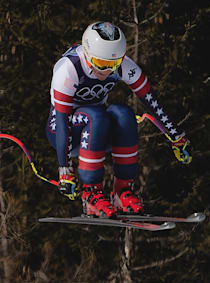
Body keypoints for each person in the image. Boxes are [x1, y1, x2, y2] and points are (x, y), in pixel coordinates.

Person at [45, 21, 192, 218]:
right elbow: (62, 121)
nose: (106, 71)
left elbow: (152, 102)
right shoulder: (68, 69)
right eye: (102, 64)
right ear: (88, 55)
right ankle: (91, 192)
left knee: (124, 114)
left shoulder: (122, 66)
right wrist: (65, 170)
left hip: (96, 132)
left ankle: (122, 190)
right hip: (63, 132)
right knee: (96, 115)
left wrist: (176, 137)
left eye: (113, 65)